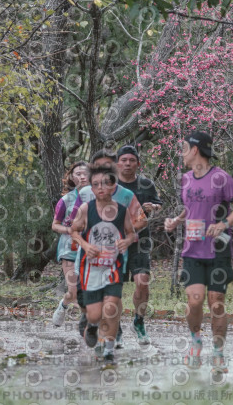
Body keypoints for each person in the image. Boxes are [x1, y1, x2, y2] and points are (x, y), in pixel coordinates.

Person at [164, 131, 233, 373]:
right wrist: (177, 221)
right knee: (194, 300)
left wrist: (224, 223)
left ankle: (218, 354)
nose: (181, 153)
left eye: (184, 148)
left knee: (216, 302)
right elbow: (191, 208)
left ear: (194, 150)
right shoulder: (185, 179)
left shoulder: (221, 178)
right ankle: (196, 342)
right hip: (192, 251)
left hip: (218, 251)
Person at [70, 149, 147, 346]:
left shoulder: (126, 195)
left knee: (112, 297)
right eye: (99, 166)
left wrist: (121, 231)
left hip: (114, 258)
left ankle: (113, 336)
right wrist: (84, 243)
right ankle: (90, 318)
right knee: (87, 300)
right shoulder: (85, 193)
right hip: (88, 258)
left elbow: (141, 220)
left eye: (108, 166)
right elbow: (74, 224)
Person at [116, 145, 162, 345]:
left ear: (138, 163)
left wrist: (153, 207)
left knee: (142, 281)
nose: (128, 164)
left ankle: (139, 321)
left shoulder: (146, 184)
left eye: (132, 160)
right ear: (117, 163)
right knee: (114, 287)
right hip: (115, 242)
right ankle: (115, 327)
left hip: (140, 240)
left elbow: (157, 205)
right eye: (124, 160)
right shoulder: (110, 185)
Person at [51, 162, 89, 327]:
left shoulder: (99, 198)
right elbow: (55, 225)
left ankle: (88, 324)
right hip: (69, 248)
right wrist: (70, 230)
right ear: (72, 178)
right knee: (73, 292)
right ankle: (64, 305)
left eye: (85, 173)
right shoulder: (66, 200)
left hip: (90, 248)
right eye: (78, 174)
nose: (82, 177)